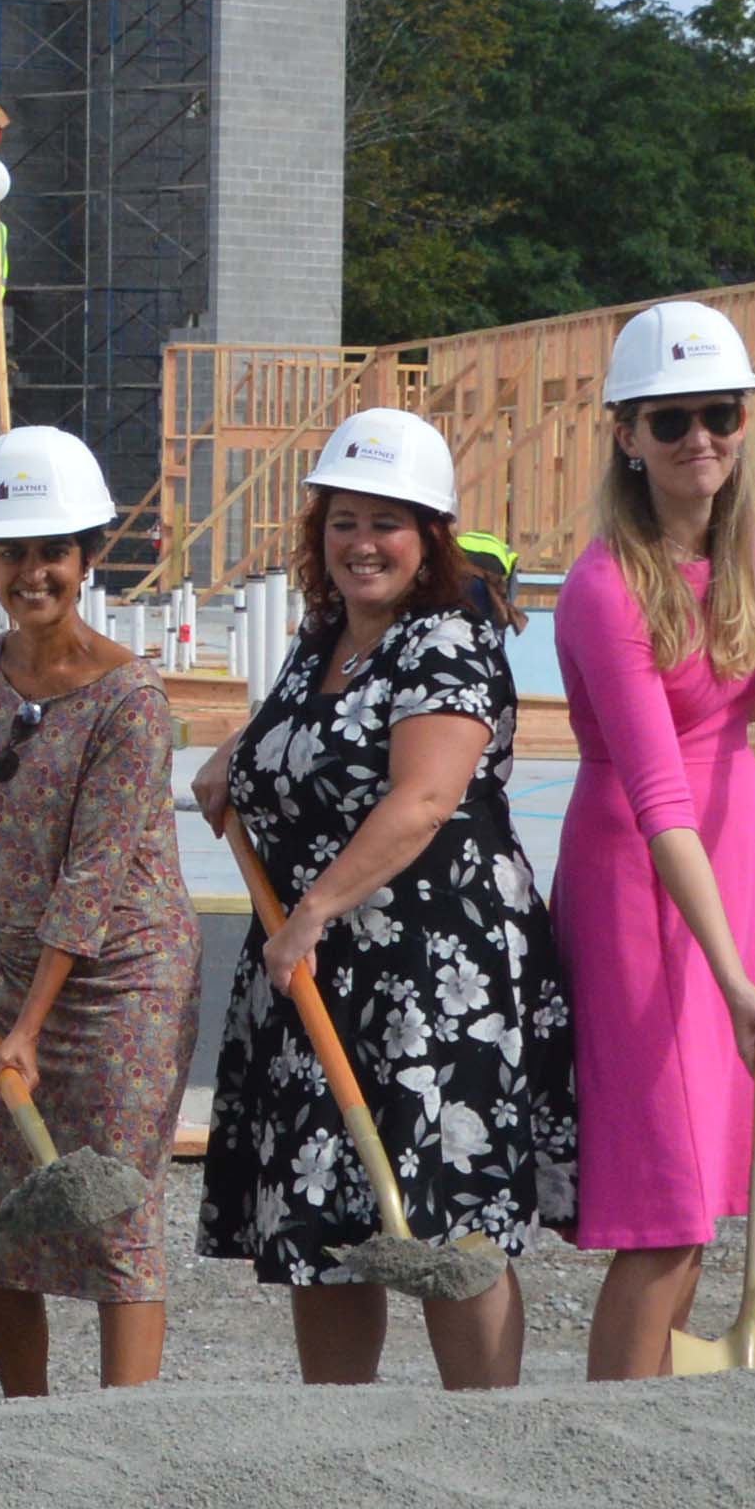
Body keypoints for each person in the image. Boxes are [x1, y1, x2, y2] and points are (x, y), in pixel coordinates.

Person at [193, 408, 566, 1390]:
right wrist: (237, 760)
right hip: (318, 966)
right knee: (324, 1207)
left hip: (433, 974)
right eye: (344, 520)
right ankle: (340, 1440)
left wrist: (314, 906)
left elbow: (425, 796)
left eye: (388, 523)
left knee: (453, 1209)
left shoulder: (446, 638)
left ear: (430, 537)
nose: (363, 544)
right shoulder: (324, 636)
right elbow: (311, 735)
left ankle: (484, 1435)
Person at [545, 305, 755, 1382]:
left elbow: (718, 712)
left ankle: (671, 1408)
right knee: (662, 1200)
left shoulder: (738, 551)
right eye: (671, 421)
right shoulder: (601, 585)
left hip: (737, 854)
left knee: (710, 1188)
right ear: (627, 434)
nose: (698, 438)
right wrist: (732, 971)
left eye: (719, 414)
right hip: (648, 885)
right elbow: (658, 791)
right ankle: (614, 1430)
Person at [0, 424, 194, 1395]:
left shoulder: (131, 700)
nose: (31, 573)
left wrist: (23, 1031)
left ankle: (123, 1426)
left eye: (51, 553)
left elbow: (94, 878)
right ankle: (25, 1418)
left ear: (86, 557)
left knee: (112, 1197)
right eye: (11, 553)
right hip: (14, 959)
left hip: (124, 976)